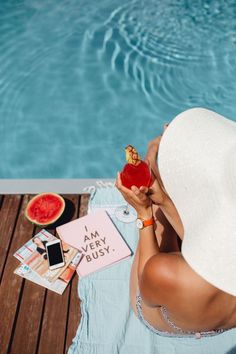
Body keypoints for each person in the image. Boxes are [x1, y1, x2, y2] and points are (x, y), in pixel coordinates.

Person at [116, 107, 236, 339]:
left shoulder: (165, 272)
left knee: (163, 215)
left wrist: (145, 214)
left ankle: (154, 169)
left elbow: (147, 286)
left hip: (163, 313)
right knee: (170, 201)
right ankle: (159, 182)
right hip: (217, 318)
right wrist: (166, 202)